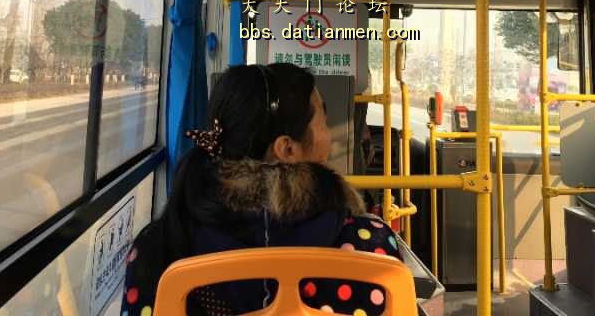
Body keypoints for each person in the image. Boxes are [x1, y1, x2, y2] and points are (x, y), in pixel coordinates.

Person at [121, 63, 403, 315]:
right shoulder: (368, 245)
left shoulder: (156, 250)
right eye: (324, 122)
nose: (330, 136)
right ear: (287, 149)